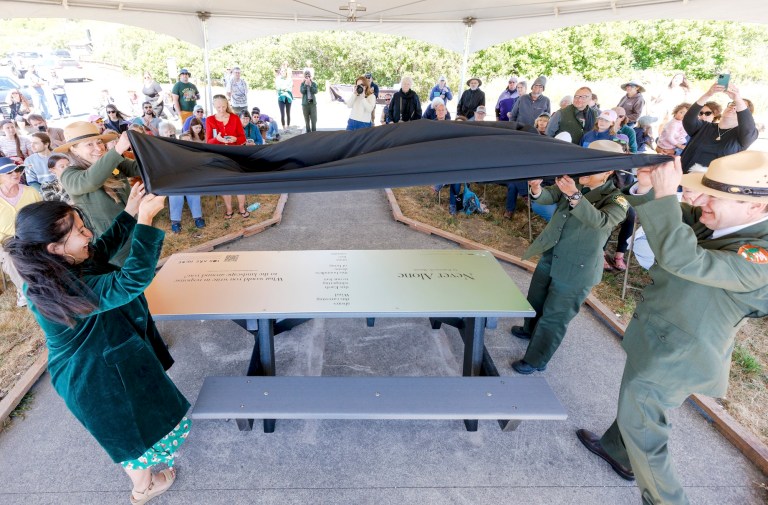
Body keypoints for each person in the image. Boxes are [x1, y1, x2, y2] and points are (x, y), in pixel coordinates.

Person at [577, 151, 768, 505]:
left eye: (714, 196)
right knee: (637, 401)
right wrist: (650, 188)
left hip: (679, 353)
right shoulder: (725, 220)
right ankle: (617, 452)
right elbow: (673, 221)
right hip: (662, 336)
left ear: (756, 207)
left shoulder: (760, 254)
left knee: (643, 425)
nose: (698, 200)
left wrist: (666, 196)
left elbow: (683, 257)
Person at [4, 193, 191, 504]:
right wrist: (145, 222)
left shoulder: (56, 265)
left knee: (137, 425)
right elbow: (131, 280)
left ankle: (144, 480)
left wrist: (130, 212)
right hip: (93, 378)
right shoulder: (63, 287)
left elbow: (100, 249)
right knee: (129, 436)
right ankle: (143, 488)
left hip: (107, 362)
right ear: (54, 247)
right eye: (79, 231)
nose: (88, 234)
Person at [509, 140, 630, 374]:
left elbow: (600, 221)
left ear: (608, 171)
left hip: (578, 268)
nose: (583, 169)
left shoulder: (616, 199)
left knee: (555, 316)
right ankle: (529, 329)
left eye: (590, 165)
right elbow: (547, 196)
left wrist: (574, 195)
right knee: (536, 299)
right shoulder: (576, 186)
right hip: (552, 255)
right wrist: (536, 189)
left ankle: (536, 359)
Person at [54, 122, 139, 266]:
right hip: (111, 241)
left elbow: (139, 168)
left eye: (99, 142)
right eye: (89, 144)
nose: (98, 148)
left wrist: (141, 144)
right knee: (128, 278)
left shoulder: (112, 162)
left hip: (135, 229)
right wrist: (117, 149)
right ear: (74, 150)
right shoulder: (69, 174)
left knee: (145, 268)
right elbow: (90, 180)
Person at [681, 81, 758, 173]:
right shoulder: (704, 127)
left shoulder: (743, 137)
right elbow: (688, 119)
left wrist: (737, 99)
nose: (734, 107)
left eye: (738, 106)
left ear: (745, 115)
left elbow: (748, 128)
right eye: (733, 104)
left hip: (711, 185)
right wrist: (708, 94)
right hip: (681, 181)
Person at [0, 157, 42, 306]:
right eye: (8, 172)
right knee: (11, 260)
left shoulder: (31, 191)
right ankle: (25, 291)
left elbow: (42, 214)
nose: (15, 174)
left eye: (17, 170)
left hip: (34, 235)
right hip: (7, 240)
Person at [205, 95, 249, 219]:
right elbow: (208, 141)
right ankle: (229, 209)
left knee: (240, 182)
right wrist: (217, 139)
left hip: (235, 154)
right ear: (214, 106)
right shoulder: (209, 120)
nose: (221, 109)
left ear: (227, 104)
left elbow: (243, 138)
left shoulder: (234, 118)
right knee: (225, 183)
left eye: (223, 106)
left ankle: (241, 208)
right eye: (218, 107)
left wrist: (236, 139)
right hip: (219, 155)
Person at [158, 121, 205, 233]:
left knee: (193, 192)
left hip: (187, 176)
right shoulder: (159, 146)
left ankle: (197, 217)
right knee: (175, 194)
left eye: (171, 131)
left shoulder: (180, 144)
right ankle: (175, 221)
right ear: (161, 133)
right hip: (171, 178)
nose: (169, 133)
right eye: (166, 132)